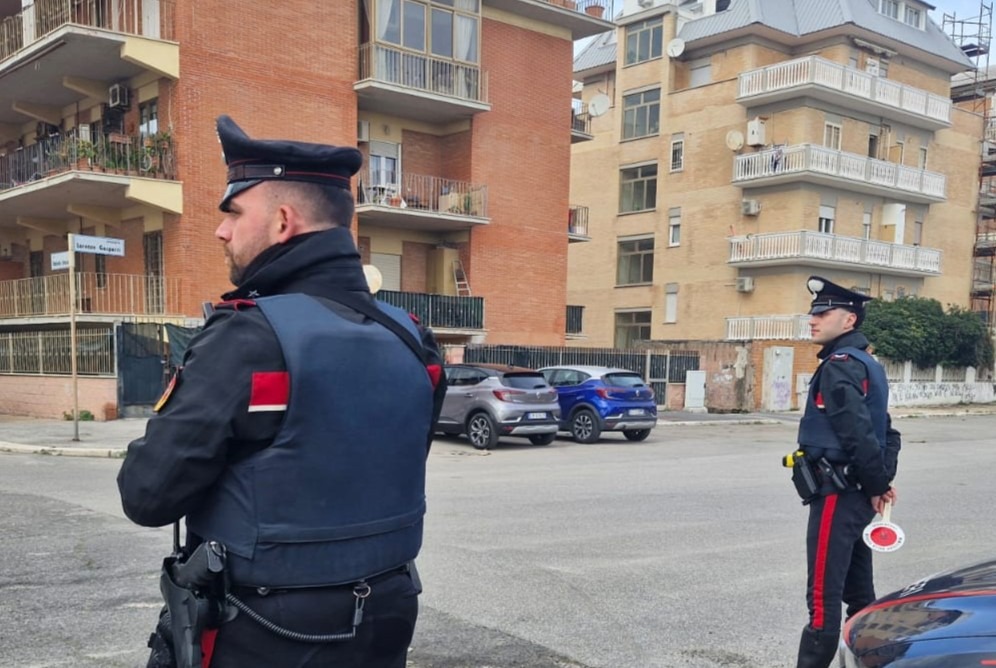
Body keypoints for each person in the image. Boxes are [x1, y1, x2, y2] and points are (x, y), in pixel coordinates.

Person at [117, 115, 446, 668]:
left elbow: (148, 497)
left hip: (266, 630)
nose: (222, 231)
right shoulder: (412, 336)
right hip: (387, 615)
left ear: (283, 221)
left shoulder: (247, 334)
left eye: (235, 213)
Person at [792, 276, 901, 668]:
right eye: (813, 313)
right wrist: (880, 484)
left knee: (822, 599)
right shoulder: (868, 363)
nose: (813, 320)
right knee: (860, 594)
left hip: (837, 495)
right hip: (857, 496)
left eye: (823, 313)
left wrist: (877, 483)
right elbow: (887, 432)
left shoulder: (840, 367)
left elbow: (858, 432)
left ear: (849, 320)